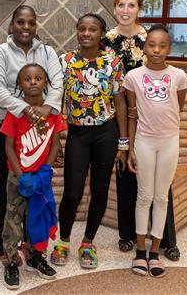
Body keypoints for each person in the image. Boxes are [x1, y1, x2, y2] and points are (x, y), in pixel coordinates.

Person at [103, 0, 181, 262]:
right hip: (119, 113)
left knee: (161, 185)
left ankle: (166, 239)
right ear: (115, 9)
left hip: (148, 117)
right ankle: (128, 234)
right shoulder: (106, 40)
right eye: (121, 5)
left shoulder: (150, 38)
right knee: (126, 171)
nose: (126, 11)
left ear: (139, 9)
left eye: (131, 5)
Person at [50, 13, 127, 270]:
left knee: (100, 190)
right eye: (81, 29)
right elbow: (57, 102)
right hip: (77, 134)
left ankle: (87, 242)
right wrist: (56, 138)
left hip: (106, 132)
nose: (86, 33)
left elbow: (119, 101)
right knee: (72, 192)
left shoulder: (113, 62)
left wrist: (124, 141)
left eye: (92, 29)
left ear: (101, 33)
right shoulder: (66, 61)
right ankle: (63, 240)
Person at [0, 5, 63, 258]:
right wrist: (27, 111)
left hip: (40, 131)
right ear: (12, 25)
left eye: (31, 23)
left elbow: (56, 83)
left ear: (36, 26)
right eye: (20, 22)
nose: (26, 27)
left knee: (37, 186)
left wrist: (48, 109)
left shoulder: (48, 52)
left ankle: (32, 242)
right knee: (6, 183)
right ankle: (4, 239)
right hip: (5, 125)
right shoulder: (0, 52)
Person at [124, 24, 187, 278]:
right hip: (144, 142)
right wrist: (129, 148)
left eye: (162, 45)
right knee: (144, 196)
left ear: (169, 48)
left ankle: (155, 252)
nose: (156, 50)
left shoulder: (179, 76)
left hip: (169, 141)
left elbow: (177, 108)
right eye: (151, 44)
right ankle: (140, 252)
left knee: (161, 197)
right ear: (144, 47)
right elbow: (131, 114)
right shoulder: (134, 77)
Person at [0, 63, 67, 290]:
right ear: (20, 84)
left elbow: (56, 144)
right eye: (27, 79)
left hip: (41, 178)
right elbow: (8, 147)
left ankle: (35, 258)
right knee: (13, 220)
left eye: (38, 78)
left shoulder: (54, 114)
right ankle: (10, 261)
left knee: (38, 219)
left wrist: (46, 171)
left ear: (46, 82)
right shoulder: (15, 114)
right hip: (18, 178)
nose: (33, 82)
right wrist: (20, 176)